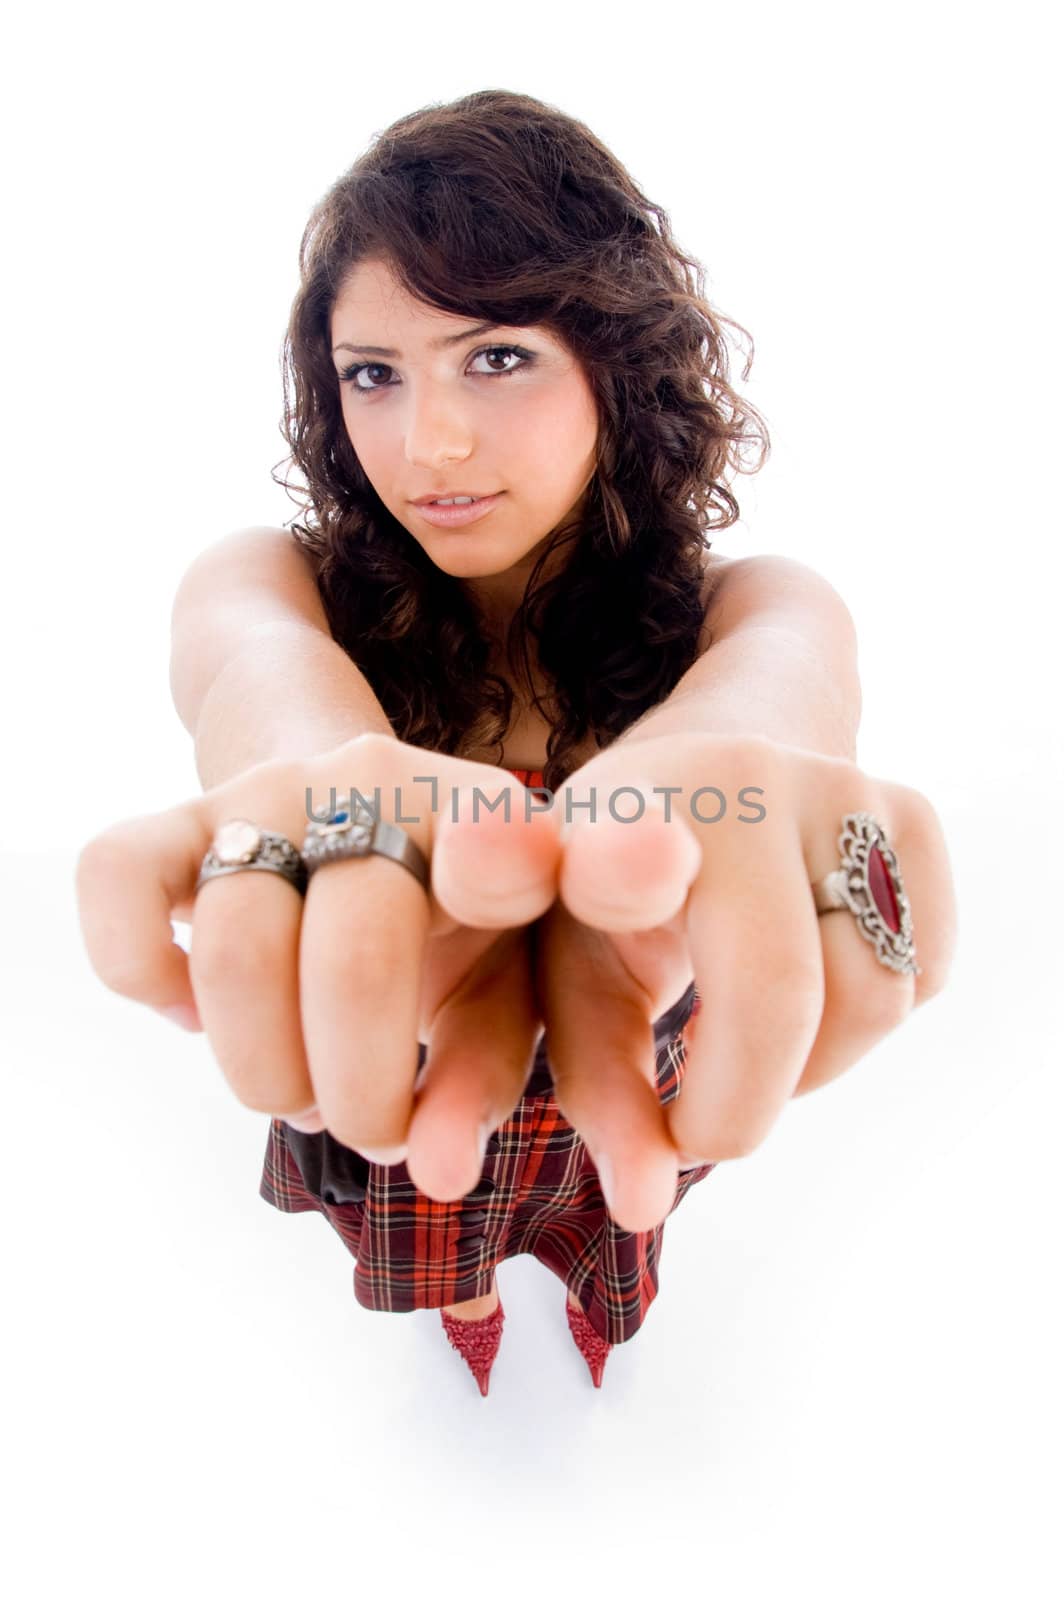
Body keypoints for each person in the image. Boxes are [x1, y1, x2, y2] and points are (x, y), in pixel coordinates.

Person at [75, 89, 957, 1398]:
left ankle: (585, 1300)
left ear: (617, 354)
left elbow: (781, 684)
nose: (428, 444)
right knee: (436, 1198)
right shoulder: (273, 579)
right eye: (374, 373)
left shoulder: (748, 605)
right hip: (410, 1066)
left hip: (622, 1076)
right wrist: (336, 784)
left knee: (619, 1191)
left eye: (496, 357)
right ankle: (467, 1299)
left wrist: (697, 784)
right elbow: (257, 673)